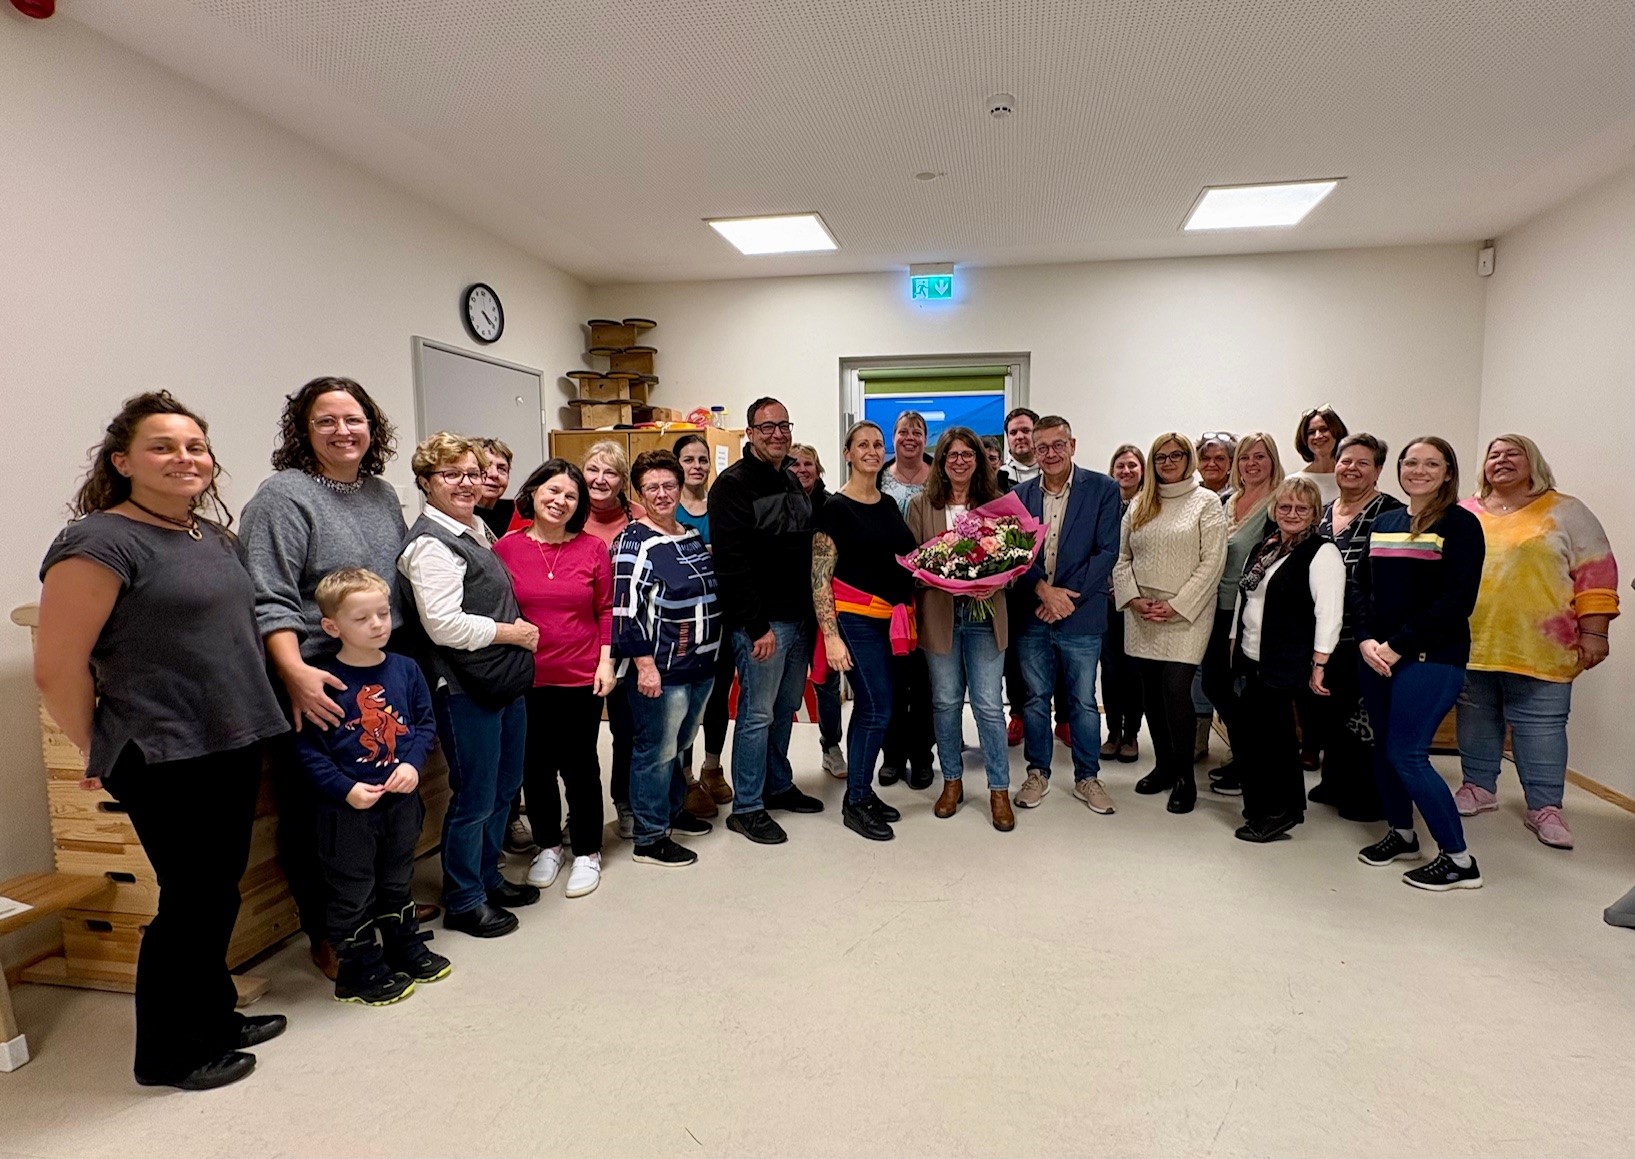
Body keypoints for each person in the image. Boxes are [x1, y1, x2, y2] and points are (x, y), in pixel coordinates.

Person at [36, 391, 289, 1090]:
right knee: (189, 901)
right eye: (162, 446)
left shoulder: (213, 536)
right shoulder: (99, 540)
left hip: (230, 737)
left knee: (217, 893)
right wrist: (99, 748)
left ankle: (214, 1013)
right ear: (123, 461)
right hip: (162, 750)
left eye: (195, 446)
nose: (184, 457)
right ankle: (171, 1053)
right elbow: (57, 666)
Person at [239, 375, 411, 979]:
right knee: (324, 812)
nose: (343, 431)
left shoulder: (382, 494)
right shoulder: (282, 497)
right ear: (302, 431)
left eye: (354, 419)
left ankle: (382, 916)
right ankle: (331, 933)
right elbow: (269, 597)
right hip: (318, 679)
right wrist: (294, 674)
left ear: (372, 426)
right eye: (326, 421)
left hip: (377, 674)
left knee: (383, 807)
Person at [399, 433, 538, 936]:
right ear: (425, 482)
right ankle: (464, 898)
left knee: (504, 786)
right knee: (475, 794)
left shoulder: (476, 528)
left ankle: (487, 876)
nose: (466, 483)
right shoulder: (430, 546)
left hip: (501, 681)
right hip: (464, 688)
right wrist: (512, 632)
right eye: (451, 474)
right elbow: (444, 625)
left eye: (473, 473)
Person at [1455, 434, 1619, 850]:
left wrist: (1595, 632)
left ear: (1534, 463)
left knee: (1540, 727)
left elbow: (1595, 573)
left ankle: (1545, 807)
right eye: (1494, 454)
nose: (1502, 460)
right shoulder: (1464, 512)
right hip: (1472, 641)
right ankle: (1477, 787)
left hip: (1542, 646)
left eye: (1513, 453)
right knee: (1475, 718)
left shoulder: (1566, 511)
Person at [295, 569, 448, 1004]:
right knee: (352, 890)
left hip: (401, 801)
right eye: (362, 619)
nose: (378, 624)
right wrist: (345, 789)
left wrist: (414, 766)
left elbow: (422, 724)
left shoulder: (406, 669)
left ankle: (402, 946)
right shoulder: (321, 681)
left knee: (398, 878)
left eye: (383, 614)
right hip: (346, 812)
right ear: (331, 626)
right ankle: (358, 969)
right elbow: (308, 751)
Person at [1353, 437, 1486, 891]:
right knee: (1384, 750)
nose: (1419, 470)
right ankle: (1402, 833)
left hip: (1431, 658)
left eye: (1432, 463)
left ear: (1448, 472)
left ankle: (1459, 860)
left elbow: (1455, 602)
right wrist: (1369, 639)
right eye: (1411, 462)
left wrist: (1397, 646)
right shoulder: (1386, 521)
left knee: (1408, 755)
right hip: (1379, 656)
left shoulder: (1461, 524)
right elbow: (1364, 589)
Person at [493, 459, 614, 898]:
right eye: (552, 490)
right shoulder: (505, 549)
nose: (559, 501)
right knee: (535, 766)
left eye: (570, 496)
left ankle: (586, 850)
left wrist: (606, 662)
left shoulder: (592, 549)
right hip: (526, 678)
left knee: (580, 765)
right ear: (534, 492)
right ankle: (547, 845)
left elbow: (604, 610)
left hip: (581, 675)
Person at [709, 397, 824, 844]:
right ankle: (748, 807)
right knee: (756, 713)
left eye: (784, 425)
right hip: (764, 625)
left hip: (798, 619)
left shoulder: (792, 480)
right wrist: (755, 626)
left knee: (783, 709)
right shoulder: (732, 487)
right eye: (767, 427)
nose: (778, 433)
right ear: (750, 432)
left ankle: (776, 784)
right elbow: (732, 564)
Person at [614, 450, 722, 867]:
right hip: (661, 669)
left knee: (680, 746)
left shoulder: (689, 534)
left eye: (668, 485)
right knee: (655, 750)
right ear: (639, 493)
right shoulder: (632, 541)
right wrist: (644, 666)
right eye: (651, 488)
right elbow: (625, 611)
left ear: (681, 487)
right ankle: (649, 836)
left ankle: (674, 811)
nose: (662, 494)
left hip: (700, 664)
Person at [1011, 416, 1123, 815]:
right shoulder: (1020, 496)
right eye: (1042, 448)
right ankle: (1037, 772)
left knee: (1082, 701)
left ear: (1072, 445)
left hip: (1081, 615)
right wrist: (1043, 590)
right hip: (1033, 614)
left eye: (1058, 445)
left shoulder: (1104, 489)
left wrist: (1063, 600)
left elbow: (1107, 552)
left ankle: (1087, 777)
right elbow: (1015, 555)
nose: (1051, 453)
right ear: (1032, 451)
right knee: (1036, 699)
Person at [906, 427, 1016, 830]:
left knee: (988, 705)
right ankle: (951, 781)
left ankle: (999, 789)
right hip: (940, 616)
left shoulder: (998, 504)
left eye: (966, 454)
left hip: (985, 618)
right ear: (941, 461)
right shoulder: (922, 505)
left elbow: (1014, 564)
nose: (959, 461)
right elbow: (913, 564)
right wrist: (939, 574)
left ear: (979, 459)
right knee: (946, 702)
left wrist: (995, 579)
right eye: (951, 455)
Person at [1113, 433, 1228, 814]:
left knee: (1176, 690)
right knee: (1149, 693)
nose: (1167, 462)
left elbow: (1212, 562)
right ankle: (1163, 766)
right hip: (1142, 611)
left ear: (1188, 458)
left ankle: (1185, 777)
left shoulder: (1206, 502)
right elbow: (1122, 557)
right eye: (1160, 456)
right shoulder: (1142, 502)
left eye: (1176, 455)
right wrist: (1132, 598)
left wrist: (1177, 606)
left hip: (1185, 614)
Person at [813, 422, 917, 840]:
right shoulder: (835, 508)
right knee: (877, 707)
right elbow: (820, 577)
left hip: (889, 620)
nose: (872, 451)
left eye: (877, 444)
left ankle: (861, 790)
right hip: (853, 621)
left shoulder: (889, 504)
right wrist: (831, 635)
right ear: (847, 453)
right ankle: (855, 802)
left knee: (872, 709)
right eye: (863, 445)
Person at [1227, 479, 1345, 842]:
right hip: (1250, 654)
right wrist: (1233, 640)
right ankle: (1258, 807)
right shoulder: (1267, 547)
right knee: (1250, 739)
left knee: (1275, 740)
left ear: (1314, 514)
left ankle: (1283, 812)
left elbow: (1330, 613)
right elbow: (1245, 596)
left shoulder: (1321, 552)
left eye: (1301, 508)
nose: (1291, 514)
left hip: (1284, 660)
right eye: (1284, 507)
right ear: (1273, 510)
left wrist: (1320, 663)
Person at [1308, 433, 1401, 820]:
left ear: (1378, 470)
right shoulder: (1324, 512)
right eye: (1346, 461)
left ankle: (1366, 798)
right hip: (1325, 634)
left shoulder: (1391, 513)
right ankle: (1335, 782)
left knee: (1362, 718)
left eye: (1363, 463)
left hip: (1368, 633)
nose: (1352, 468)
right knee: (1330, 709)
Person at [1200, 432, 1283, 797]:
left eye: (1260, 457)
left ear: (1272, 461)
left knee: (1242, 690)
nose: (1252, 463)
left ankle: (1252, 762)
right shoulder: (1226, 500)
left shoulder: (1278, 502)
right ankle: (1244, 755)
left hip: (1250, 612)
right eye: (1246, 457)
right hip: (1216, 606)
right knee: (1214, 683)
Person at [576, 439, 649, 842]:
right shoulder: (567, 513)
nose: (601, 479)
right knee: (580, 738)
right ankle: (580, 814)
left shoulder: (637, 517)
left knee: (628, 730)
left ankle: (625, 801)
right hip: (580, 639)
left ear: (623, 481)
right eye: (593, 470)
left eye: (611, 472)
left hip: (627, 637)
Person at [670, 432, 738, 817]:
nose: (697, 466)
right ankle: (686, 777)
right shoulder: (667, 507)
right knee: (686, 700)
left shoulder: (720, 504)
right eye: (689, 460)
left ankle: (712, 768)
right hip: (680, 620)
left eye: (702, 460)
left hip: (722, 613)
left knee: (717, 694)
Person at [877, 410, 936, 787]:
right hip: (886, 592)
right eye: (902, 432)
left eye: (917, 432)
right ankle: (892, 755)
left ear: (925, 438)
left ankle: (922, 756)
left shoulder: (939, 479)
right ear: (893, 438)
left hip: (930, 593)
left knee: (927, 679)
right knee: (891, 678)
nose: (909, 438)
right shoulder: (879, 477)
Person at [791, 442, 847, 779]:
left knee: (828, 682)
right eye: (794, 464)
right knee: (791, 681)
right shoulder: (781, 504)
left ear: (818, 468)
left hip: (826, 607)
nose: (801, 469)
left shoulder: (833, 506)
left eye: (807, 463)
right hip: (792, 609)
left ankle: (831, 746)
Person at [1188, 431, 1237, 763]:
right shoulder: (1189, 497)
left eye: (1220, 458)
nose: (1212, 464)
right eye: (1205, 458)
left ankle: (1240, 748)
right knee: (1196, 671)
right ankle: (1198, 739)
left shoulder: (1239, 498)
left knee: (1229, 676)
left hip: (1232, 602)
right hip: (1195, 598)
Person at [1099, 445, 1145, 764]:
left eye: (1132, 465)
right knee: (1111, 670)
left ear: (1142, 470)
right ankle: (1112, 732)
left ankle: (1131, 735)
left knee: (1134, 671)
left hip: (1138, 601)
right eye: (1120, 465)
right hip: (1105, 599)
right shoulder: (1103, 504)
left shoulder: (1151, 505)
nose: (1126, 471)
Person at [1290, 405, 1348, 506]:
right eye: (1311, 432)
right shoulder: (1292, 483)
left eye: (1324, 429)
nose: (1318, 436)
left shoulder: (1353, 479)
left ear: (1337, 432)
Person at [474, 438, 515, 539]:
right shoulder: (458, 516)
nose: (494, 474)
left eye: (502, 469)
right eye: (485, 466)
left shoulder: (517, 512)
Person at [1002, 406, 1040, 486]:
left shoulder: (1052, 474)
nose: (1019, 437)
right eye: (1013, 432)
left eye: (1025, 430)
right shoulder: (996, 479)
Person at [1196, 431, 1237, 498]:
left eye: (1219, 459)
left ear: (1231, 464)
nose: (1211, 464)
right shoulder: (1189, 494)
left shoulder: (1240, 495)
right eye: (1205, 459)